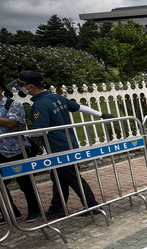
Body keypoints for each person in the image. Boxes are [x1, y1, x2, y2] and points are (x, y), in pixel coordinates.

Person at [9, 71, 114, 219]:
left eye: (22, 85)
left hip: (58, 148)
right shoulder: (56, 98)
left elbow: (41, 131)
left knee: (72, 177)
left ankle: (91, 205)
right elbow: (79, 107)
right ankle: (57, 207)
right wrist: (101, 114)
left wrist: (21, 134)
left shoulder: (39, 105)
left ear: (31, 86)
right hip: (69, 143)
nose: (20, 88)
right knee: (59, 177)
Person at [0, 80, 40, 224]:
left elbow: (11, 123)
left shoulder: (13, 105)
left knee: (24, 183)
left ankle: (35, 210)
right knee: (1, 186)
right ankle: (11, 212)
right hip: (0, 152)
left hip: (16, 150)